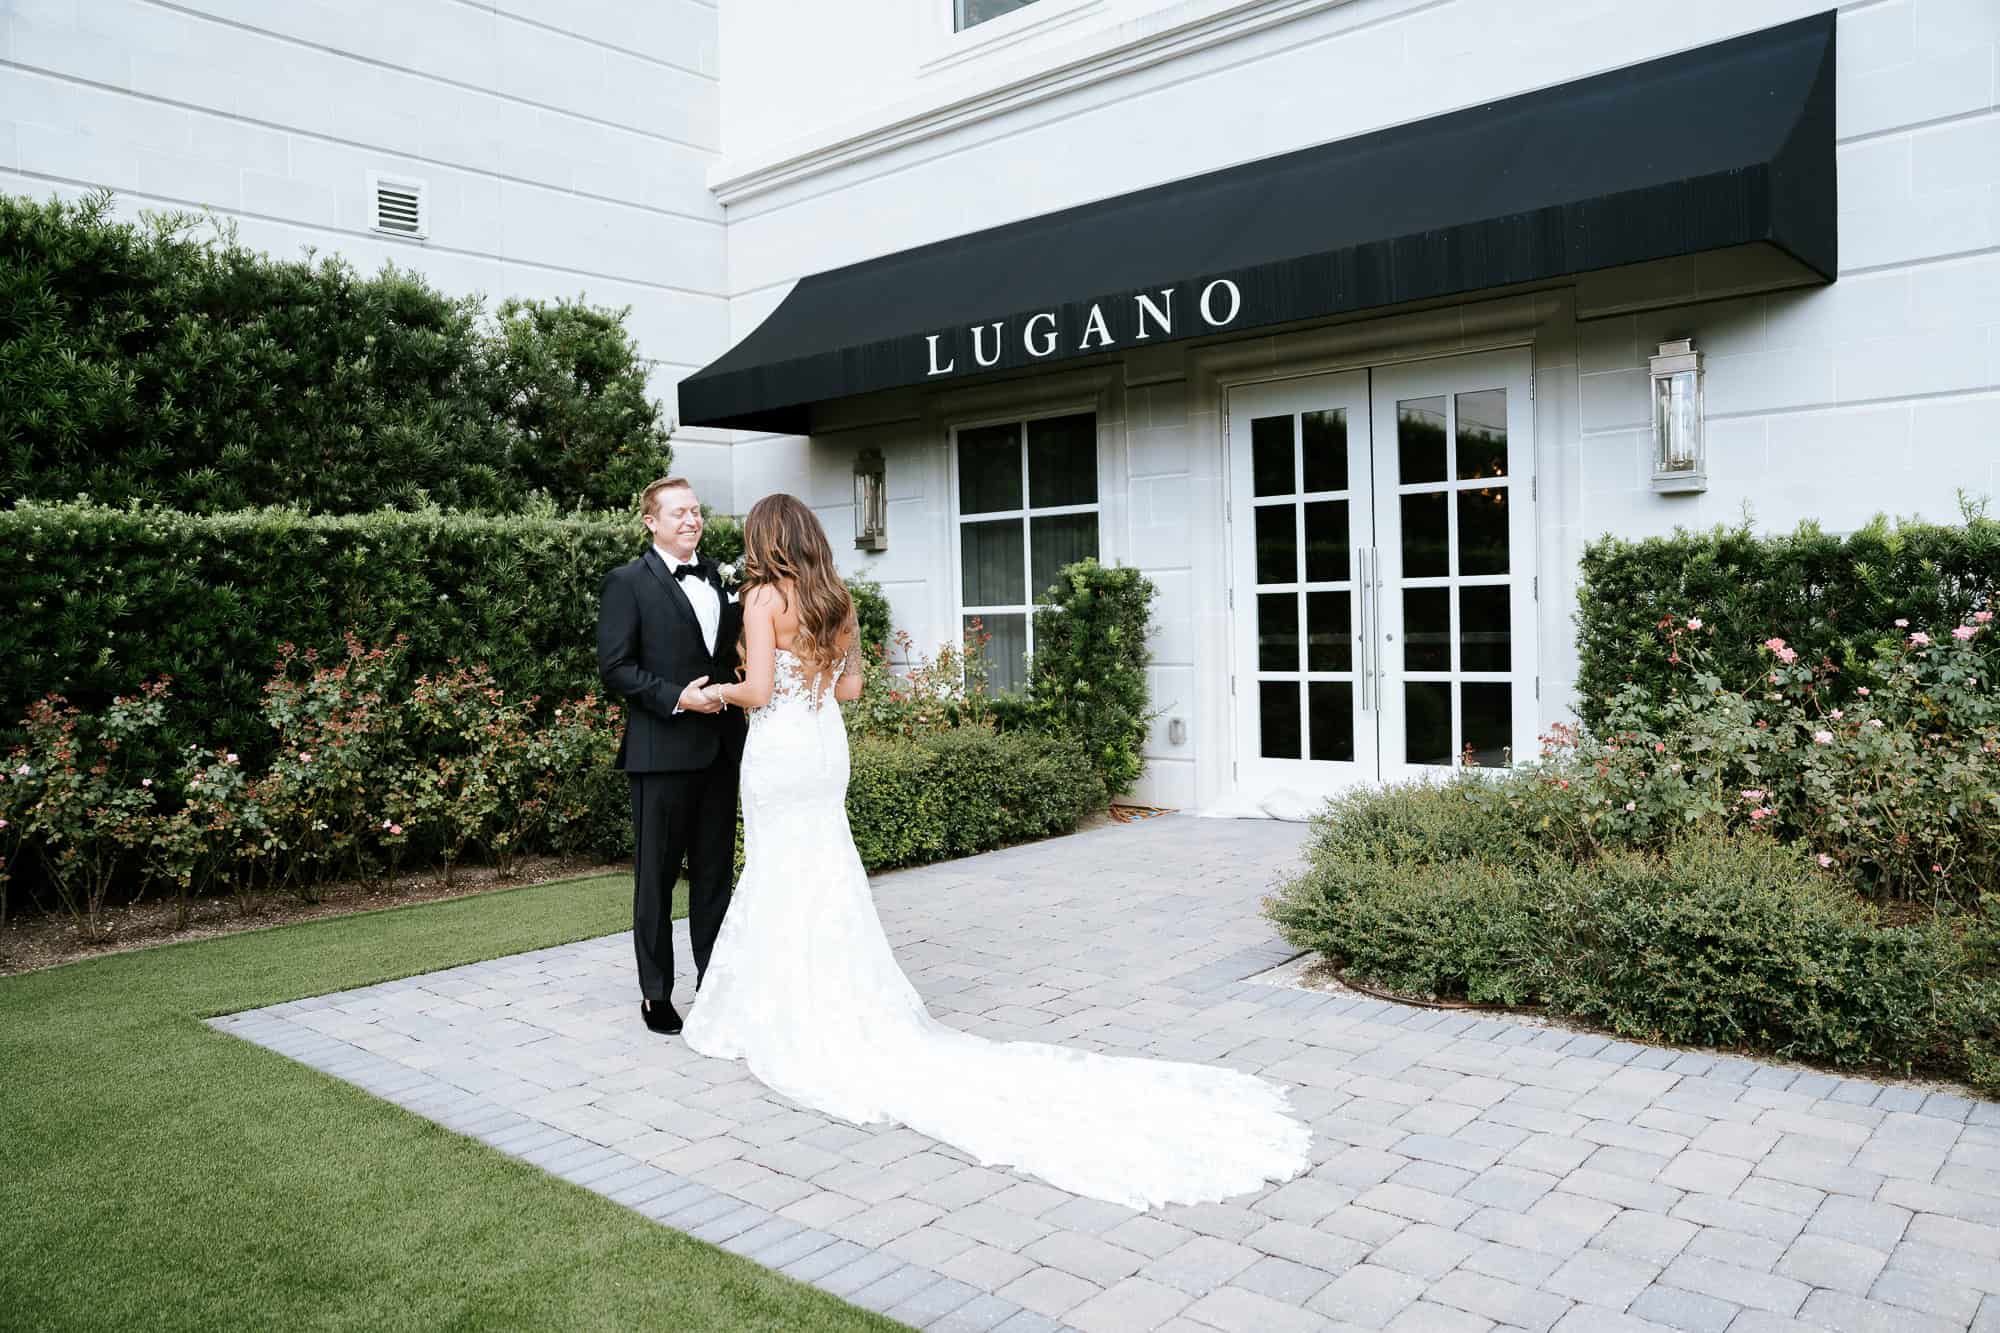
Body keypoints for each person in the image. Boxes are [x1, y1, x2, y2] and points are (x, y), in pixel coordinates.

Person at [682, 493, 1310, 1210]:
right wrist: (813, 678)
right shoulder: (836, 597)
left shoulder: (762, 597)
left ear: (767, 539)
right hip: (825, 747)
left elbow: (760, 691)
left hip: (782, 750)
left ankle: (779, 1004)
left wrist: (715, 694)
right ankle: (835, 992)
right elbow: (851, 688)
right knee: (824, 865)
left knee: (777, 867)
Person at [596, 477, 745, 1036]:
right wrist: (678, 697)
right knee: (655, 880)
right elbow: (616, 667)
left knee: (714, 878)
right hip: (661, 752)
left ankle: (714, 983)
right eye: (679, 512)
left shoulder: (724, 579)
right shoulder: (627, 583)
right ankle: (656, 994)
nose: (691, 520)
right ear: (651, 522)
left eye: (697, 510)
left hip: (721, 750)